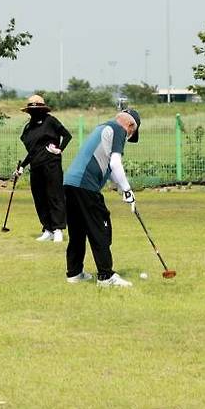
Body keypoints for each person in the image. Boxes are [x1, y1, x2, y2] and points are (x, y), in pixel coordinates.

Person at [62, 108, 141, 287]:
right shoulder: (118, 129)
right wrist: (128, 190)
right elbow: (115, 162)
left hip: (70, 183)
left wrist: (122, 189)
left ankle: (74, 273)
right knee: (101, 229)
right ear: (130, 126)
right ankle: (106, 276)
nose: (128, 137)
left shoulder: (103, 127)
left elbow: (108, 168)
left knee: (77, 231)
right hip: (86, 186)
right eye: (132, 133)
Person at [13, 95, 72, 242]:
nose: (34, 111)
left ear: (42, 109)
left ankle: (58, 229)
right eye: (31, 109)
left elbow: (67, 135)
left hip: (52, 164)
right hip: (36, 166)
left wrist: (59, 149)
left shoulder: (50, 121)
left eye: (36, 108)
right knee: (40, 198)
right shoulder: (29, 127)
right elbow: (33, 152)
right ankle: (48, 229)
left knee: (54, 196)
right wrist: (22, 166)